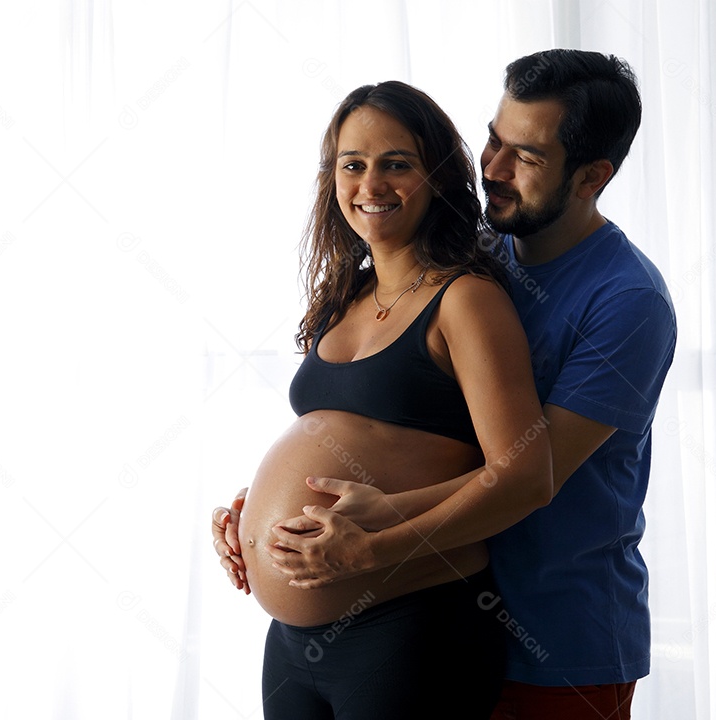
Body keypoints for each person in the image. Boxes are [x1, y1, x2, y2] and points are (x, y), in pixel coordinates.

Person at [215, 51, 676, 720]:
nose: (491, 166)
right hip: (407, 605)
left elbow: (531, 476)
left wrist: (376, 530)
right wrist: (270, 512)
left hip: (555, 638)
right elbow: (404, 427)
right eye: (493, 139)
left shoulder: (627, 301)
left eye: (526, 156)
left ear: (591, 176)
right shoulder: (472, 255)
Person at [211, 80, 553, 718]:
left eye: (397, 164)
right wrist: (252, 515)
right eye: (353, 164)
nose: (370, 184)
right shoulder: (342, 296)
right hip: (294, 645)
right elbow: (347, 439)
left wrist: (372, 547)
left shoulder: (466, 301)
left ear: (440, 179)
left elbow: (526, 477)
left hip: (411, 631)